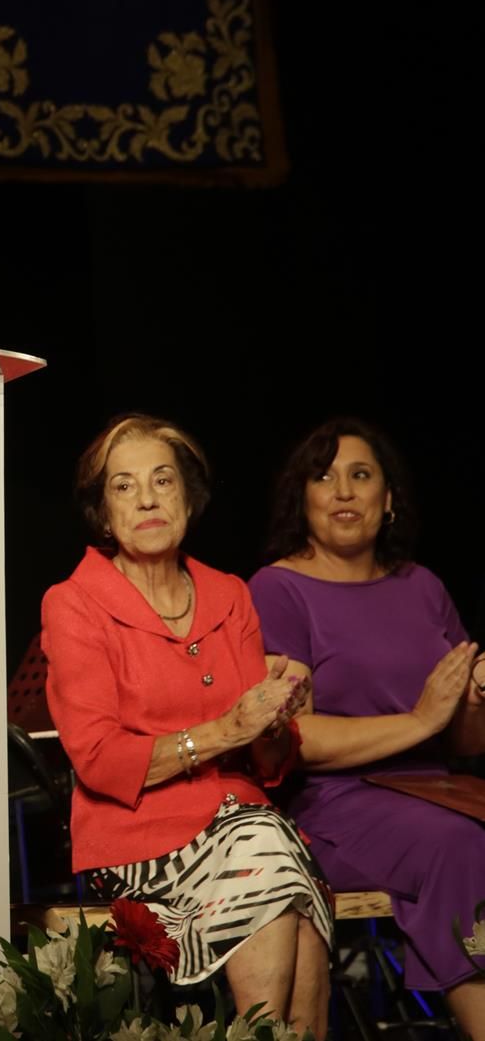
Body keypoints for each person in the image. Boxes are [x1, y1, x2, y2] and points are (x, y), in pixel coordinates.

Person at [41, 413, 329, 1036]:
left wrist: (276, 716)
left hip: (245, 826)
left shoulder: (230, 594)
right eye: (124, 485)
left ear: (187, 498)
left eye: (162, 481)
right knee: (278, 864)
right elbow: (98, 758)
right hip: (137, 838)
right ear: (102, 509)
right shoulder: (75, 603)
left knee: (278, 868)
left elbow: (272, 763)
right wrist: (226, 730)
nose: (147, 498)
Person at [250, 418, 485, 1037]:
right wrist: (420, 718)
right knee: (458, 848)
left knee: (454, 835)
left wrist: (476, 697)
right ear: (302, 499)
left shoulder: (423, 586)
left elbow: (465, 745)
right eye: (324, 477)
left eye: (361, 476)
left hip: (439, 791)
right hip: (334, 804)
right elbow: (297, 741)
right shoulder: (277, 590)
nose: (344, 492)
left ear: (389, 500)